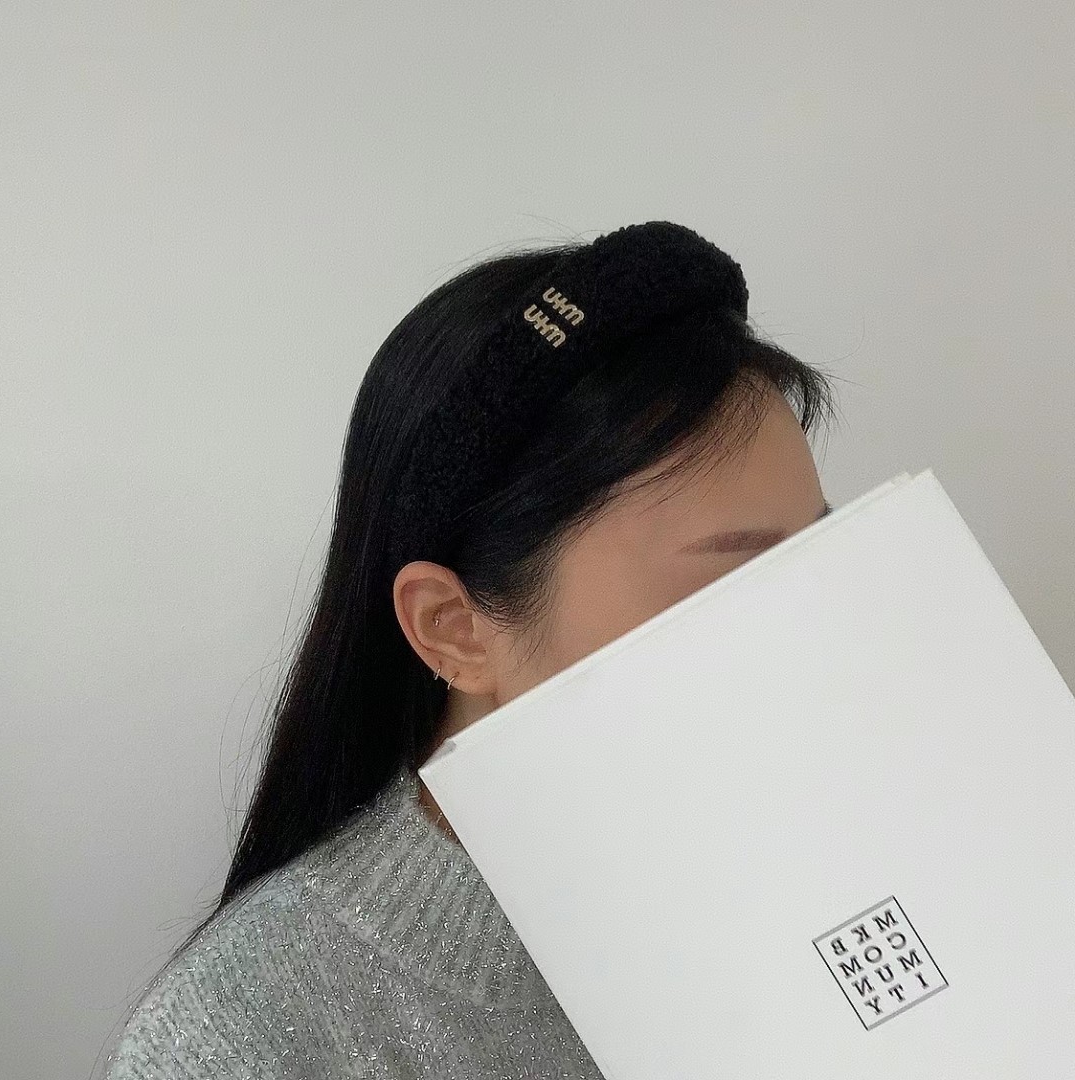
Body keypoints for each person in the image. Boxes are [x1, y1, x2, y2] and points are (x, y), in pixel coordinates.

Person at [101, 221, 839, 1078]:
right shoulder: (241, 1038)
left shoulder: (831, 869)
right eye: (736, 580)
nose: (819, 636)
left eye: (826, 556)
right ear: (454, 628)